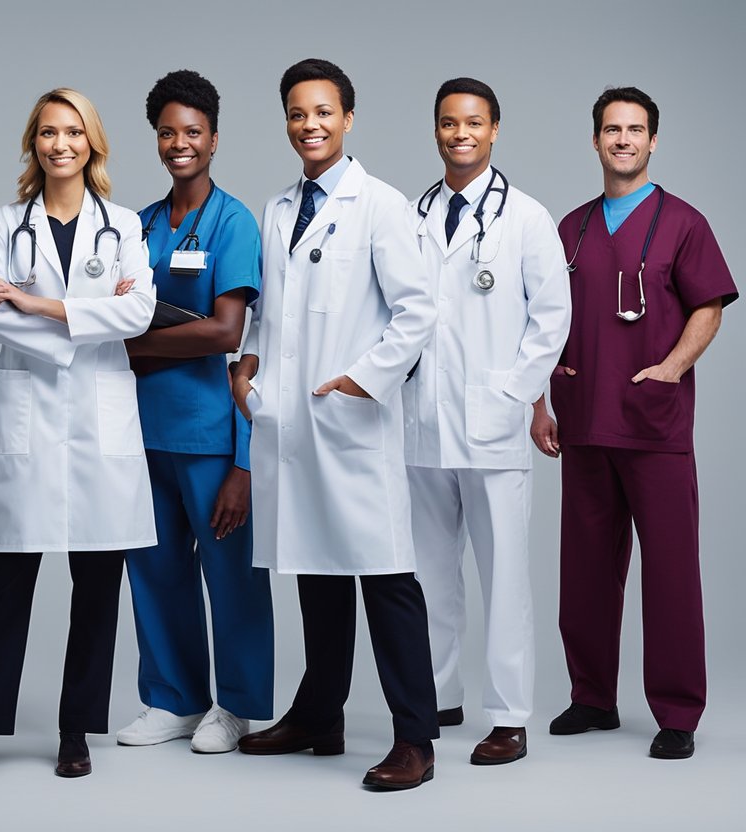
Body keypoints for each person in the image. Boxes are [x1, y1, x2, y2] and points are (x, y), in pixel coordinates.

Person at [230, 59, 440, 790]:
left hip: (349, 417)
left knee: (384, 577)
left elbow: (417, 311)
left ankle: (416, 736)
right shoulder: (279, 208)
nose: (309, 125)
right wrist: (247, 362)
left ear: (348, 118)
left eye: (322, 112)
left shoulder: (380, 205)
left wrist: (366, 378)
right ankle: (321, 714)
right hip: (290, 417)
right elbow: (271, 311)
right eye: (296, 113)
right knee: (314, 569)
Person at [0, 88, 156, 786]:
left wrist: (40, 304)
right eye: (46, 133)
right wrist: (80, 326)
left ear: (90, 142)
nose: (59, 144)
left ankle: (75, 732)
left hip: (99, 423)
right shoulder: (10, 221)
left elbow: (141, 310)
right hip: (32, 415)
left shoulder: (122, 223)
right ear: (33, 143)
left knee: (98, 585)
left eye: (72, 132)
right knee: (7, 582)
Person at [534, 86, 736, 760]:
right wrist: (540, 400)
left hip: (654, 425)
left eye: (635, 129)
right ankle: (592, 697)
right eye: (611, 129)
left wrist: (674, 367)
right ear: (595, 141)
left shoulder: (683, 222)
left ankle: (677, 711)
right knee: (585, 570)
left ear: (653, 141)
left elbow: (709, 304)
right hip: (584, 417)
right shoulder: (571, 229)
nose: (622, 139)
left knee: (672, 572)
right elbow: (542, 323)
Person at [403, 78, 571, 765]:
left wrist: (515, 396)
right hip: (421, 419)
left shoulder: (526, 218)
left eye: (473, 122)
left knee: (503, 576)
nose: (460, 133)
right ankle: (438, 695)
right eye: (448, 123)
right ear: (436, 130)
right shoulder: (411, 214)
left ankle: (508, 716)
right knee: (428, 570)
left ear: (495, 129)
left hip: (494, 421)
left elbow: (552, 316)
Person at [117, 69, 273, 754]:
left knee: (231, 574)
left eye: (193, 132)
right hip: (141, 429)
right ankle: (174, 698)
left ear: (214, 139)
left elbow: (228, 333)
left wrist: (242, 464)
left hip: (212, 432)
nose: (180, 143)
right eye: (168, 132)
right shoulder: (141, 223)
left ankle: (236, 704)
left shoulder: (233, 221)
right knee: (155, 569)